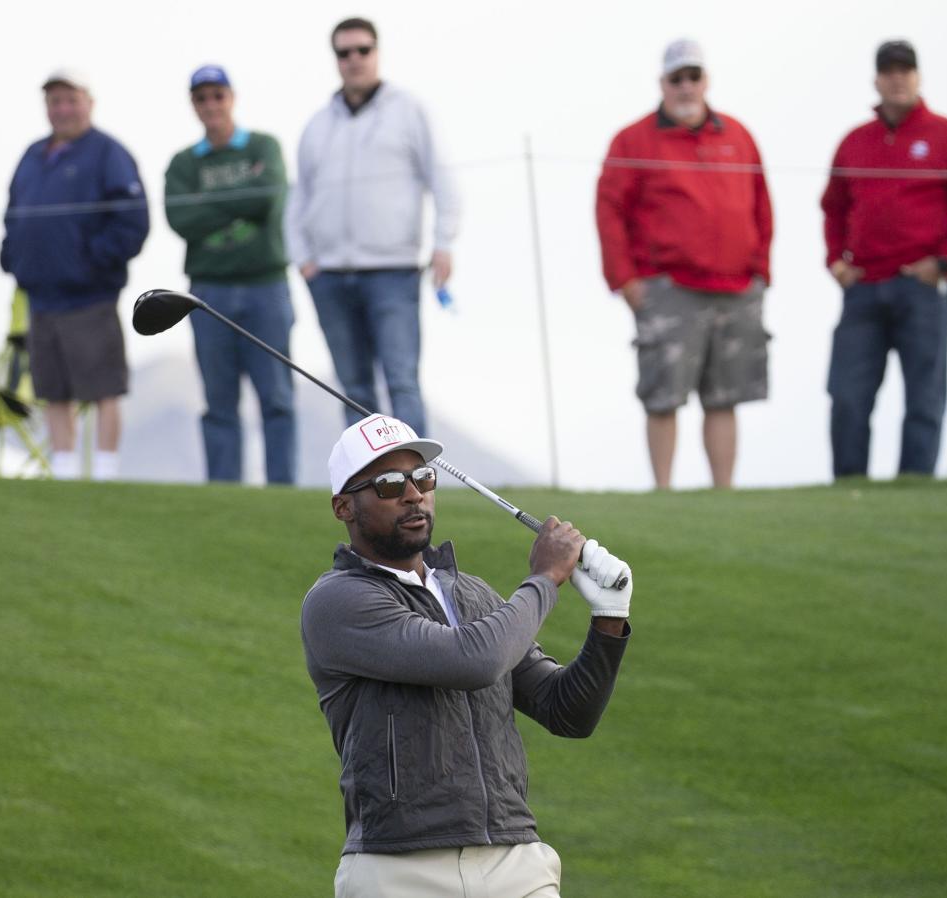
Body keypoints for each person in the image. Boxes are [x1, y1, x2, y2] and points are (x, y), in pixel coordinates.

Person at [301, 412, 632, 898]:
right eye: (390, 484)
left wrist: (609, 618)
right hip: (399, 870)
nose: (413, 493)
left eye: (422, 477)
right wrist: (543, 579)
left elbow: (569, 711)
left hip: (514, 861)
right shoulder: (337, 602)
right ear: (343, 508)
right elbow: (472, 661)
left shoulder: (474, 596)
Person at [596, 38, 773, 490]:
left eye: (693, 76)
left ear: (705, 80)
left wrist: (760, 269)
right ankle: (663, 493)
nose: (686, 86)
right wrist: (626, 280)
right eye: (677, 78)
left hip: (736, 289)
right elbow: (609, 209)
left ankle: (724, 494)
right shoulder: (633, 139)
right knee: (663, 398)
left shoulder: (737, 134)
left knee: (725, 398)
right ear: (663, 83)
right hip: (668, 288)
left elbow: (761, 204)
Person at [821, 40, 947, 478]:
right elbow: (833, 208)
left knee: (924, 398)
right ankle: (848, 492)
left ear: (917, 77)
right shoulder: (855, 143)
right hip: (864, 289)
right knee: (847, 395)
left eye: (905, 70)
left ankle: (915, 491)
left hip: (924, 288)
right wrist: (836, 263)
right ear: (877, 79)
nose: (897, 78)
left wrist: (945, 261)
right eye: (889, 70)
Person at [286, 17, 460, 438]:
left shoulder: (409, 111)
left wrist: (443, 243)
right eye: (344, 52)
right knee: (354, 390)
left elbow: (443, 180)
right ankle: (368, 489)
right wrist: (303, 260)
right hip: (329, 277)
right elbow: (298, 199)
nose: (354, 59)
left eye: (362, 50)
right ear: (336, 59)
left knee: (401, 381)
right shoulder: (317, 125)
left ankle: (417, 484)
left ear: (376, 53)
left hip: (393, 271)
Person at [0, 68, 149, 481]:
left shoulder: (108, 153)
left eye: (70, 99)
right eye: (54, 101)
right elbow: (13, 212)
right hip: (41, 295)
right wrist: (13, 257)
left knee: (103, 388)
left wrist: (93, 261)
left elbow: (132, 220)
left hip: (90, 295)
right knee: (53, 390)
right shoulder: (33, 155)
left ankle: (105, 473)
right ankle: (63, 471)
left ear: (88, 102)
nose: (62, 109)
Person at [164, 65, 296, 485]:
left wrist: (210, 203)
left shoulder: (263, 146)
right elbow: (180, 217)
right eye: (202, 98)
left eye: (217, 95)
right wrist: (238, 201)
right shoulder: (183, 163)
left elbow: (267, 199)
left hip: (266, 286)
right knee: (218, 401)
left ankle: (282, 490)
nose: (211, 105)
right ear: (193, 105)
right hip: (208, 292)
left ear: (231, 98)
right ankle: (224, 490)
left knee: (276, 396)